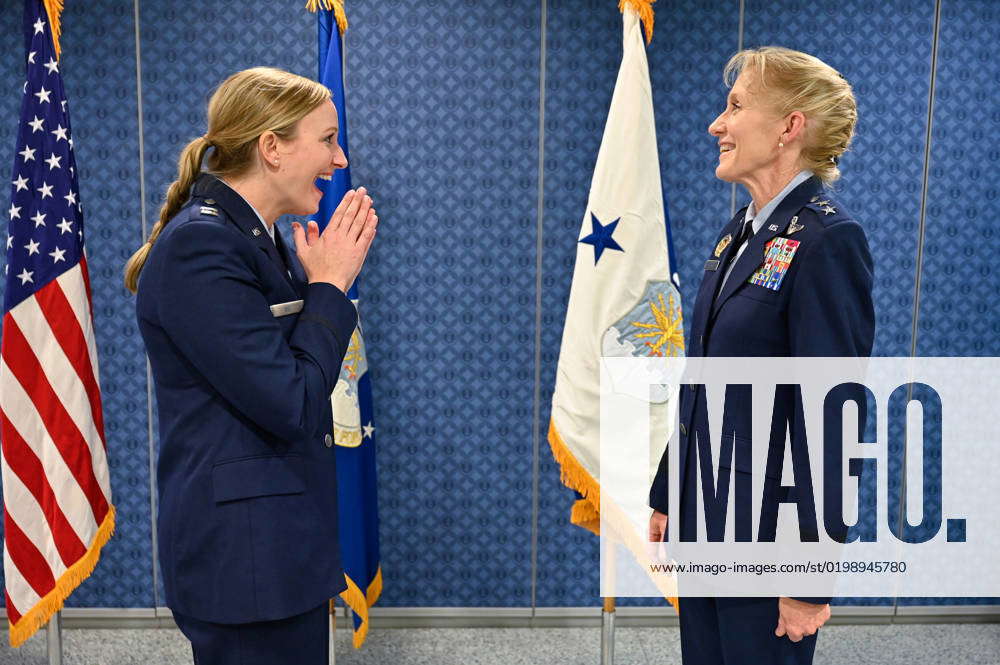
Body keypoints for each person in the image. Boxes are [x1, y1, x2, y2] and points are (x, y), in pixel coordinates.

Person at [124, 67, 378, 664]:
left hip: (277, 548)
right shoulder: (202, 247)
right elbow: (292, 402)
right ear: (271, 147)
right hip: (246, 563)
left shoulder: (254, 239)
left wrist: (321, 288)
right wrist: (331, 288)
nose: (339, 159)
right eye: (327, 139)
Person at [648, 47, 875, 665]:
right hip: (705, 517)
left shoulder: (827, 241)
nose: (716, 125)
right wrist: (672, 489)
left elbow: (833, 421)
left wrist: (809, 580)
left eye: (735, 106)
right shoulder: (738, 236)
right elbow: (705, 377)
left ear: (789, 127)